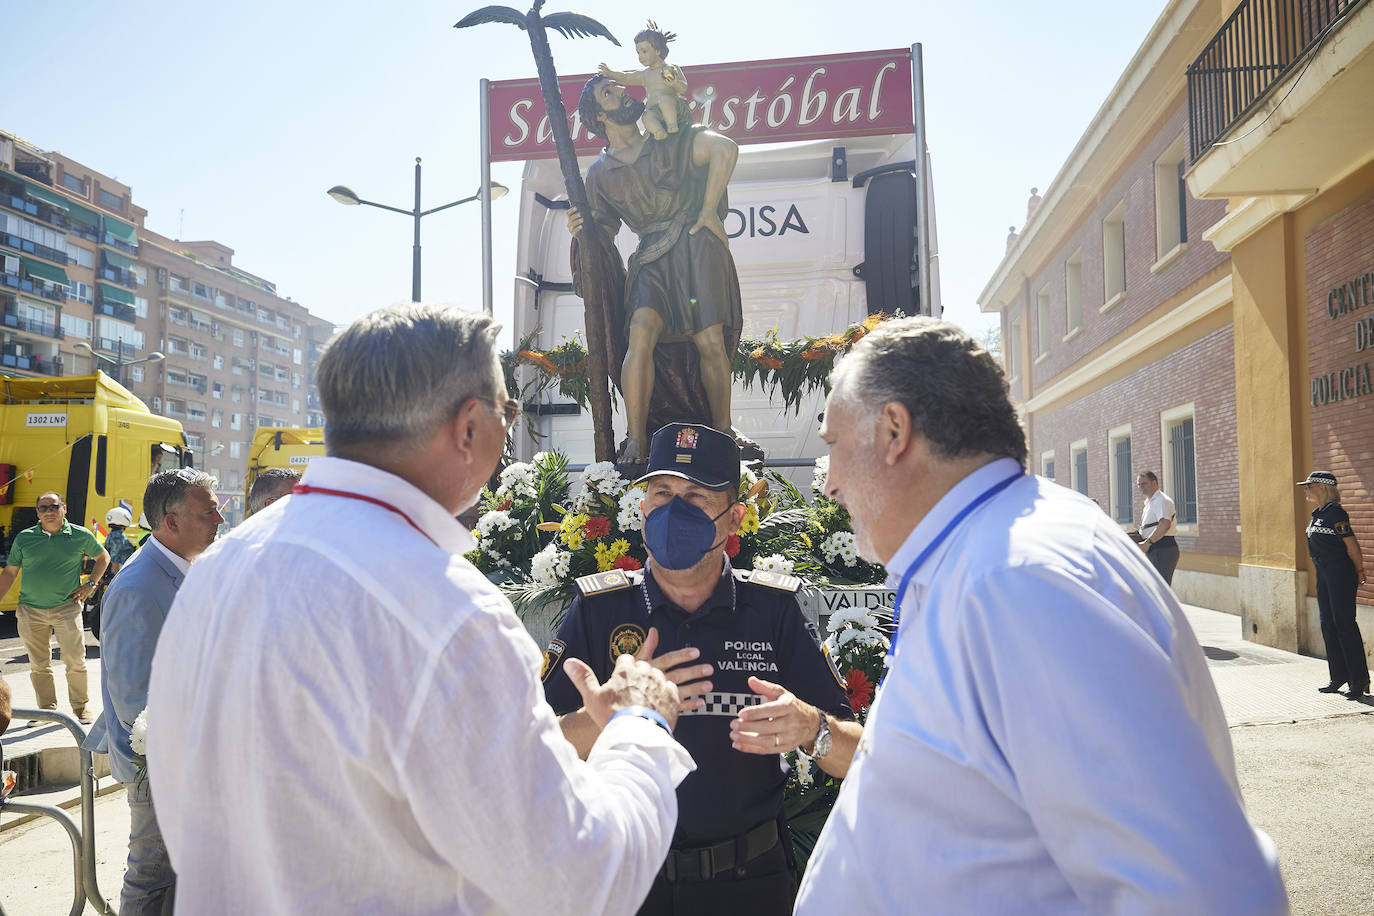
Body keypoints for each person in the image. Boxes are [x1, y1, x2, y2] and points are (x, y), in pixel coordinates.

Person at [146, 304, 693, 915]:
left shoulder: (219, 570)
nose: (509, 432)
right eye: (507, 412)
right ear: (468, 427)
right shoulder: (445, 612)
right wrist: (641, 727)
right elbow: (580, 883)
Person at [797, 317, 1288, 914]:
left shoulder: (1016, 581)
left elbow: (1200, 893)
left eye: (832, 446)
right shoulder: (988, 557)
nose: (830, 485)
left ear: (894, 431)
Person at [543, 422, 859, 916]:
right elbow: (534, 752)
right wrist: (605, 717)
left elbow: (859, 758)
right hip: (624, 884)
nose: (673, 511)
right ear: (642, 506)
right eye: (662, 492)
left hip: (747, 884)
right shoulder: (599, 609)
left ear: (733, 519)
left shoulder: (772, 610)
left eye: (695, 497)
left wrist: (811, 727)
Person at [572, 72, 744, 463]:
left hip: (695, 247)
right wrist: (580, 232)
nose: (621, 93)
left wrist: (707, 209)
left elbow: (725, 150)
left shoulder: (670, 142)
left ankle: (723, 430)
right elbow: (601, 233)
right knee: (639, 336)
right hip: (650, 256)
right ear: (598, 117)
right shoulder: (598, 174)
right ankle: (638, 438)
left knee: (710, 341)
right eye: (608, 93)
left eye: (617, 87)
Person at [83, 469, 223, 915]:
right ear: (172, 522)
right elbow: (134, 700)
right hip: (161, 766)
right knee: (153, 878)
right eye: (209, 511)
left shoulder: (185, 568)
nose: (220, 517)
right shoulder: (139, 586)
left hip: (189, 759)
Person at [0, 491, 109, 725]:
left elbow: (103, 557)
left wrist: (90, 584)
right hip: (30, 610)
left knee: (75, 660)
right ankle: (47, 711)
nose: (49, 511)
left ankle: (81, 708)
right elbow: (10, 573)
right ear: (37, 512)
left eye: (53, 506)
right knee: (39, 664)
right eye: (43, 508)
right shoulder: (24, 538)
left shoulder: (80, 535)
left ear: (64, 509)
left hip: (67, 608)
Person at [1298, 471, 1368, 699]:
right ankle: (1338, 677)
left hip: (1340, 574)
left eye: (1309, 486)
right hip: (1323, 573)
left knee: (1344, 624)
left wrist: (1359, 571)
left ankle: (1359, 680)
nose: (1306, 490)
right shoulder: (1318, 513)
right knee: (1328, 624)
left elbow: (1352, 545)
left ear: (1322, 487)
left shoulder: (1336, 513)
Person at [598, 21, 688, 140]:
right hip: (655, 111)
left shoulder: (671, 68)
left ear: (658, 51)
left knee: (665, 100)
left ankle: (672, 127)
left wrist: (675, 83)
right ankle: (658, 131)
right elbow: (627, 78)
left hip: (673, 106)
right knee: (646, 116)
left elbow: (683, 88)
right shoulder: (645, 74)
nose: (640, 56)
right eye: (638, 53)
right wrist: (610, 73)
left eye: (644, 51)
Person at [1137, 470, 1180, 584]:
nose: (1141, 487)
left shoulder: (1161, 500)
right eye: (1139, 484)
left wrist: (1147, 543)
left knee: (1160, 590)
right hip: (1155, 548)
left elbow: (1165, 524)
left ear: (1154, 483)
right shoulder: (1150, 502)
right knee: (1154, 589)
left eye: (1144, 483)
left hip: (1163, 548)